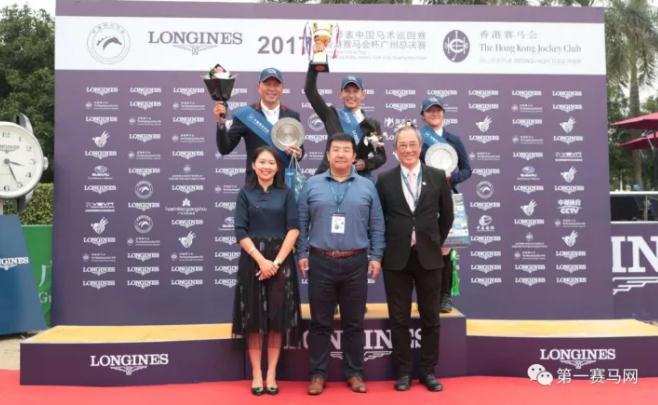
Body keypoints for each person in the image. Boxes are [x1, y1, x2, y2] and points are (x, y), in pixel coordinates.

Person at [296, 133, 385, 395]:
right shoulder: (312, 184)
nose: (341, 154)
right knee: (320, 323)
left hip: (355, 262)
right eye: (336, 149)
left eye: (347, 150)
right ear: (327, 155)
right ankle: (317, 375)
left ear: (354, 156)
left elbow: (377, 224)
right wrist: (302, 253)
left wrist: (376, 256)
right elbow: (301, 222)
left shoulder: (367, 186)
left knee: (354, 323)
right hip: (320, 261)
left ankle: (355, 373)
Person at [375, 124, 454, 392]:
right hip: (396, 259)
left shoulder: (436, 176)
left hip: (429, 257)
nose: (408, 149)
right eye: (402, 145)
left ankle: (428, 371)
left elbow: (447, 215)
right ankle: (404, 372)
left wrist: (433, 242)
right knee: (399, 318)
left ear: (420, 147)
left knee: (430, 316)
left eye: (412, 144)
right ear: (395, 150)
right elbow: (379, 220)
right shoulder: (384, 180)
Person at [232, 146, 302, 396]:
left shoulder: (286, 193)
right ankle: (256, 374)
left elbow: (293, 229)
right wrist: (262, 261)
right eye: (261, 162)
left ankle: (271, 373)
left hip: (281, 261)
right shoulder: (244, 193)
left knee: (276, 319)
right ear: (253, 165)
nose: (266, 167)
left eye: (271, 163)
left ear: (277, 167)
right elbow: (240, 231)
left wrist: (276, 263)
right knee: (253, 320)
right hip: (253, 260)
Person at [419, 96, 472, 313]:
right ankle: (426, 296)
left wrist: (452, 178)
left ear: (443, 113)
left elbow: (467, 170)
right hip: (423, 198)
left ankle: (445, 296)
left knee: (445, 249)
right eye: (429, 111)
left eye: (437, 110)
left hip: (447, 198)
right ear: (423, 115)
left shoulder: (454, 140)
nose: (434, 114)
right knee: (423, 248)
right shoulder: (418, 138)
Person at [214, 67, 303, 184]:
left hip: (284, 185)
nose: (272, 88)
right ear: (258, 87)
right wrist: (221, 123)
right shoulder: (246, 115)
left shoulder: (292, 116)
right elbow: (225, 148)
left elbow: (299, 151)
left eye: (276, 85)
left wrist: (298, 154)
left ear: (282, 88)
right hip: (255, 186)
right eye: (267, 84)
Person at [304, 60, 386, 181]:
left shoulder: (372, 124)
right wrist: (315, 65)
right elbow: (310, 91)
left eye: (355, 91)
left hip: (358, 179)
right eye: (347, 91)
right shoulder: (331, 114)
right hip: (331, 177)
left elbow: (381, 156)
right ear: (340, 94)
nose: (351, 95)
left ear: (363, 95)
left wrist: (366, 163)